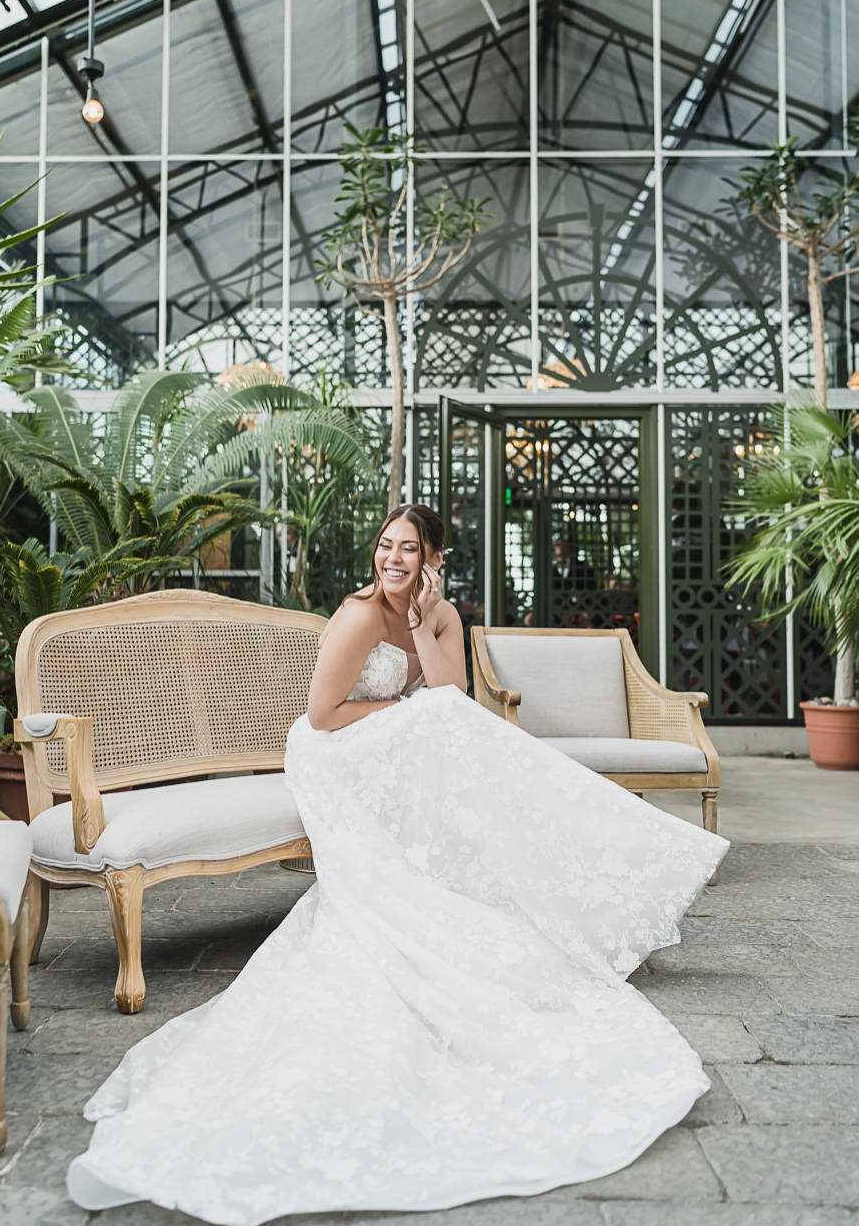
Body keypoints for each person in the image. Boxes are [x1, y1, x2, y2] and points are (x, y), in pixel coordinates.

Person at [67, 503, 728, 1226]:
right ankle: (575, 848)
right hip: (333, 753)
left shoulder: (442, 617)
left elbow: (452, 704)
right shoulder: (354, 617)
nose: (392, 559)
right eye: (385, 546)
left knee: (452, 736)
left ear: (432, 560)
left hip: (399, 741)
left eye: (408, 550)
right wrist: (403, 716)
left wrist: (420, 626)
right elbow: (321, 717)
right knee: (439, 737)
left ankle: (565, 863)